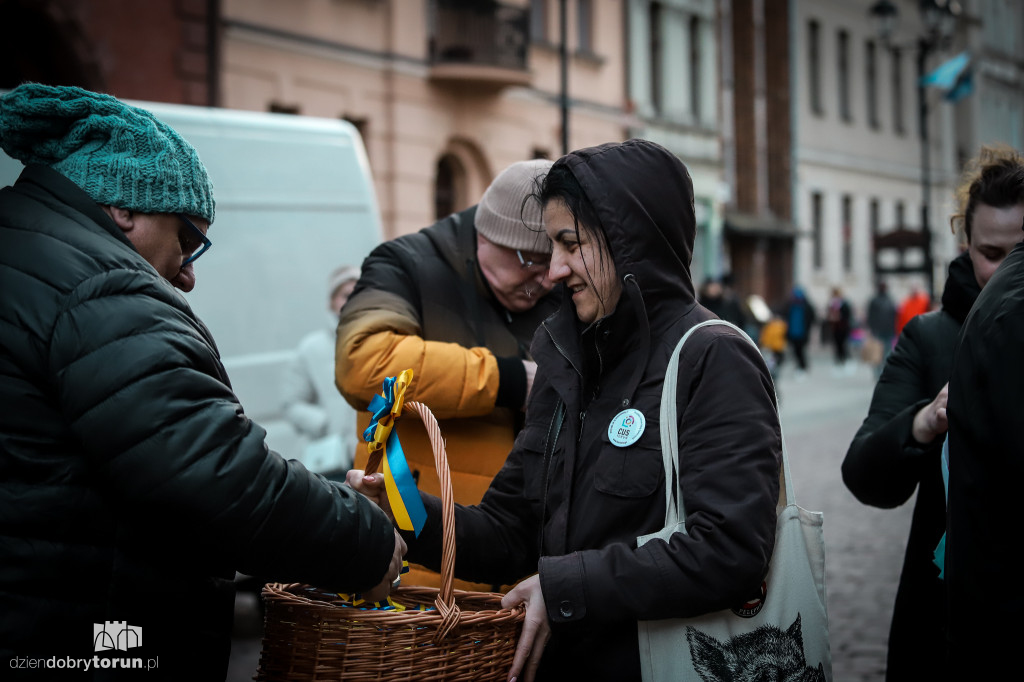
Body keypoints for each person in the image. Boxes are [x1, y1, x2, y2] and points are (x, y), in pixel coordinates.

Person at [0, 84, 404, 679]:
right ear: (124, 208)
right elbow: (212, 471)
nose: (188, 275)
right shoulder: (99, 285)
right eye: (187, 239)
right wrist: (362, 538)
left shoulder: (31, 251)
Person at [352, 139, 782, 680]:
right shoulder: (567, 364)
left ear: (630, 242)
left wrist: (568, 587)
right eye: (551, 247)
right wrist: (403, 512)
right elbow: (511, 531)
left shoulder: (712, 356)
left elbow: (731, 551)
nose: (554, 271)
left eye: (569, 244)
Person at [842, 143, 1024, 681]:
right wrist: (927, 420)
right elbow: (864, 473)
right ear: (966, 245)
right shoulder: (931, 336)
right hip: (946, 609)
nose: (1009, 271)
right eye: (993, 254)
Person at [335, 158, 560, 589]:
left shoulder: (553, 287)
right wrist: (510, 381)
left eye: (552, 262)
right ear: (487, 234)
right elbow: (361, 363)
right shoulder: (405, 265)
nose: (544, 279)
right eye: (530, 259)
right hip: (421, 558)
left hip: (527, 570)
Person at [946, 232, 1024, 678]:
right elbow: (865, 471)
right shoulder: (1010, 308)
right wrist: (919, 425)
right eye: (990, 253)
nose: (998, 267)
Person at [281, 264, 362, 479]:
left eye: (360, 293)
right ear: (332, 301)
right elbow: (292, 404)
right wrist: (324, 423)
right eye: (345, 295)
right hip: (335, 457)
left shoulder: (384, 341)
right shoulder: (311, 348)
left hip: (380, 453)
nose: (352, 300)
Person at [865, 280, 897, 376]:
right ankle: (878, 372)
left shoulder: (889, 300)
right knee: (878, 353)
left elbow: (895, 315)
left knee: (886, 352)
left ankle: (884, 371)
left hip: (888, 330)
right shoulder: (876, 300)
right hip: (879, 331)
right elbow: (870, 316)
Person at [784, 286, 816, 379]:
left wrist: (808, 328)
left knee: (801, 351)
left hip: (802, 333)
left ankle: (803, 367)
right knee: (795, 351)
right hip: (792, 332)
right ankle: (799, 367)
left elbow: (812, 318)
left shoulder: (806, 306)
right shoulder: (790, 305)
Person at [825, 286, 853, 373]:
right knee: (837, 345)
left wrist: (840, 317)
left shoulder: (844, 304)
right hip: (835, 328)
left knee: (843, 344)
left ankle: (845, 360)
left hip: (843, 327)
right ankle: (838, 361)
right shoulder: (831, 304)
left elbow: (848, 314)